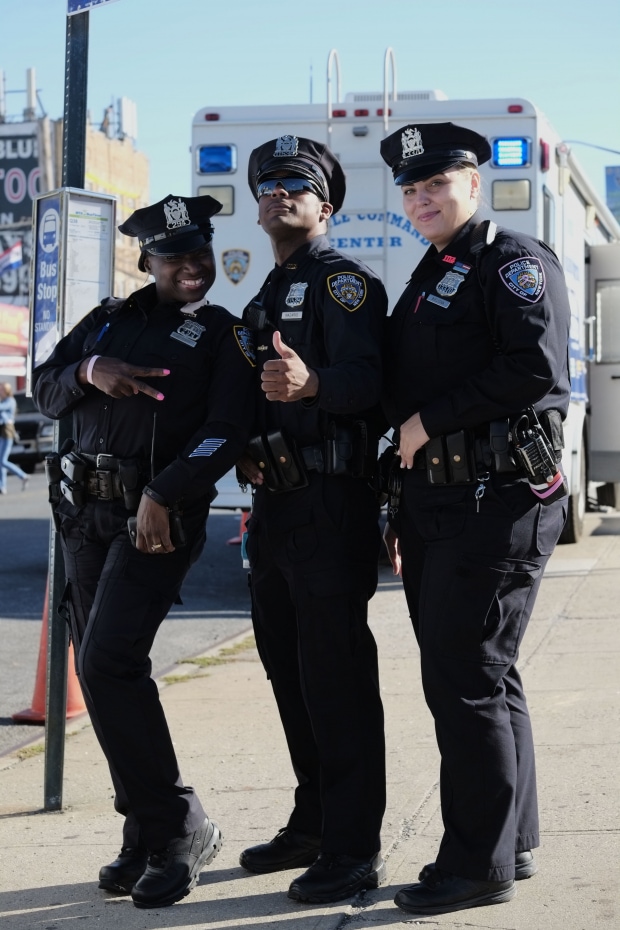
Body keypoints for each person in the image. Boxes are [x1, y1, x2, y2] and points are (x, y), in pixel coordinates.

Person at [32, 194, 256, 909]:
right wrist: (88, 370)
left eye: (201, 256)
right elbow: (44, 388)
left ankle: (178, 827)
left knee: (108, 661)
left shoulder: (224, 334)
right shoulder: (106, 321)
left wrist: (165, 490)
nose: (192, 268)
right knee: (100, 674)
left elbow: (229, 428)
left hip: (154, 517)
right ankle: (144, 829)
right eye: (175, 258)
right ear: (146, 262)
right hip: (83, 517)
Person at [379, 122, 571, 917]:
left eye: (436, 185)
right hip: (441, 503)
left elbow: (536, 368)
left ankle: (475, 863)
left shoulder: (513, 262)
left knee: (464, 681)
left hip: (496, 498)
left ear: (472, 184)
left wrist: (430, 423)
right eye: (411, 191)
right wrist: (397, 499)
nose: (422, 199)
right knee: (486, 676)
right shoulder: (434, 271)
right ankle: (512, 842)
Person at [237, 135, 388, 904]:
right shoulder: (264, 296)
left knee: (336, 680)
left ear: (324, 205)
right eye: (267, 184)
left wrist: (313, 383)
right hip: (276, 507)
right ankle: (315, 821)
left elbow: (372, 383)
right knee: (290, 674)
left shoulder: (344, 285)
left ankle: (355, 847)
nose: (278, 192)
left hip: (331, 503)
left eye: (295, 183)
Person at [0, 382, 29, 494]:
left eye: (1, 389)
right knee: (1, 461)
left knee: (3, 461)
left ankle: (23, 475)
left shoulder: (10, 401)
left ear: (6, 390)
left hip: (7, 433)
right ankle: (2, 486)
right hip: (2, 433)